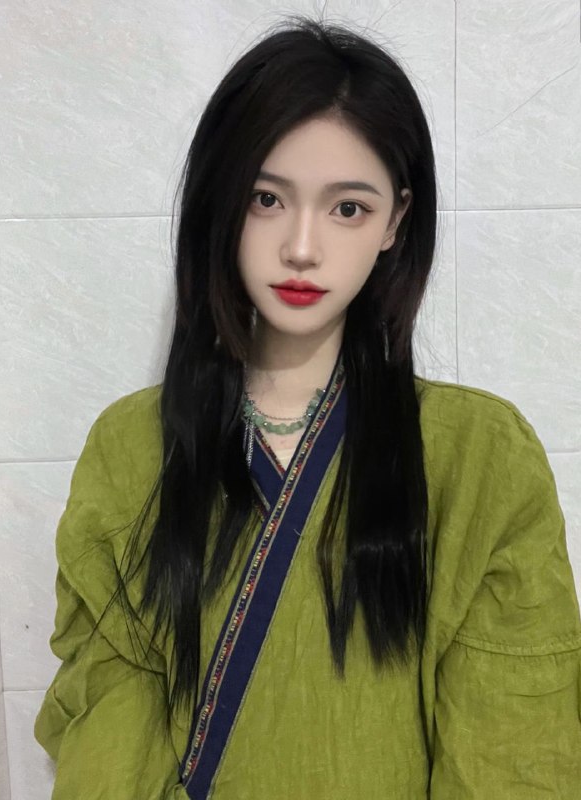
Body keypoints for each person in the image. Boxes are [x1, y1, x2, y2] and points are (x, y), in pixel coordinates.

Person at [34, 14, 581, 799]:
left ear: (396, 220)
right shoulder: (131, 447)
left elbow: (516, 746)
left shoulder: (481, 456)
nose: (301, 246)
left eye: (347, 208)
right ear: (221, 203)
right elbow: (106, 727)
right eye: (266, 198)